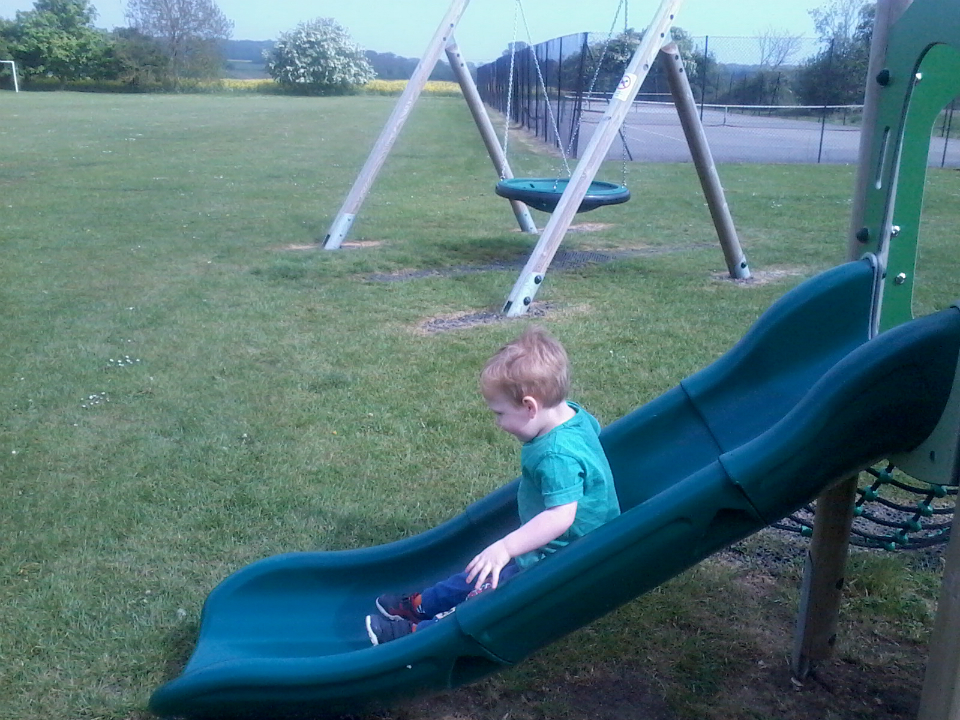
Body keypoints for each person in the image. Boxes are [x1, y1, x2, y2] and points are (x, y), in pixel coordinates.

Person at [366, 325, 620, 645]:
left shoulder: (555, 455)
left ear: (530, 407)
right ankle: (422, 605)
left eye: (500, 413)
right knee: (481, 567)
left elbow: (560, 516)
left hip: (563, 552)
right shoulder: (574, 415)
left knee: (491, 590)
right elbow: (592, 441)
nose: (498, 423)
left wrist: (506, 546)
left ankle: (420, 635)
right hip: (571, 535)